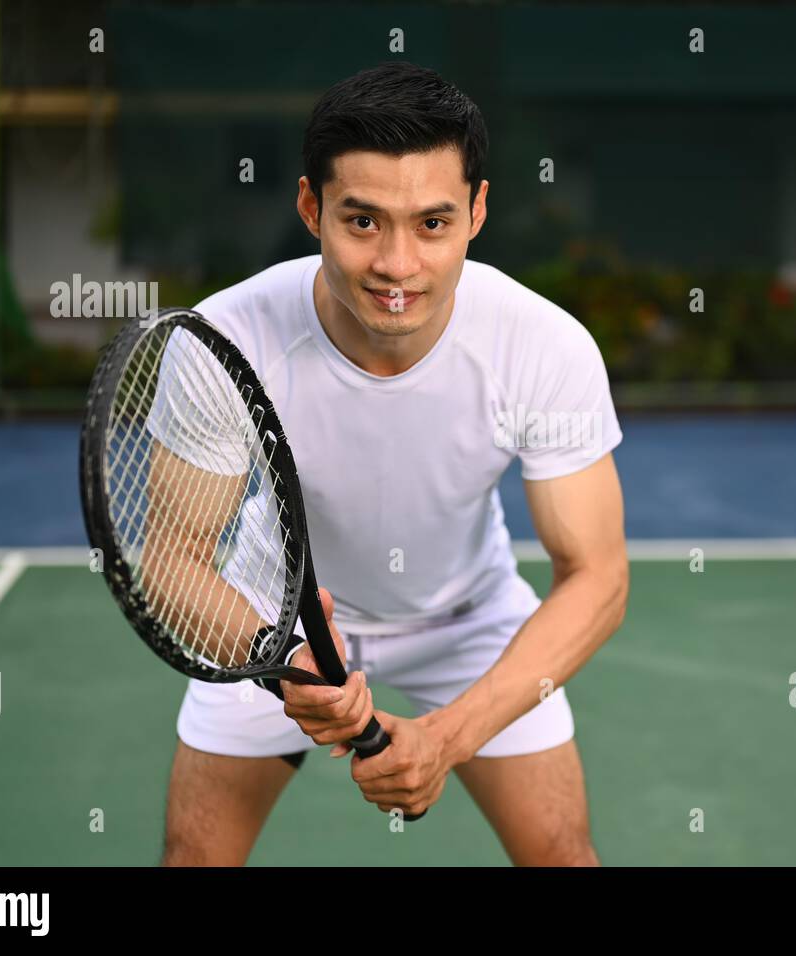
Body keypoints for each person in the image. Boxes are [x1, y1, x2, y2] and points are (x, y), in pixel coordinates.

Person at [162, 61, 629, 867]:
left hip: (468, 623)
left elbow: (597, 575)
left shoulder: (543, 346)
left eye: (433, 224)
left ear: (478, 213)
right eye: (364, 221)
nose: (398, 267)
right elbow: (173, 557)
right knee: (193, 859)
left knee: (564, 856)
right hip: (273, 624)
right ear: (311, 208)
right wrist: (283, 668)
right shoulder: (224, 341)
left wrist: (446, 738)